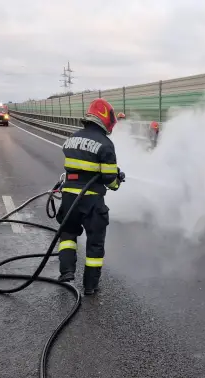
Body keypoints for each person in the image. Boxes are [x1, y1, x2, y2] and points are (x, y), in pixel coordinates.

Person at [56, 98, 126, 295]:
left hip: (69, 197)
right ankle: (90, 285)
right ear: (105, 117)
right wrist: (117, 180)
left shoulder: (71, 139)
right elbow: (109, 180)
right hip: (91, 201)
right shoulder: (106, 144)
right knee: (95, 243)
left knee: (68, 235)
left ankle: (66, 271)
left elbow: (78, 166)